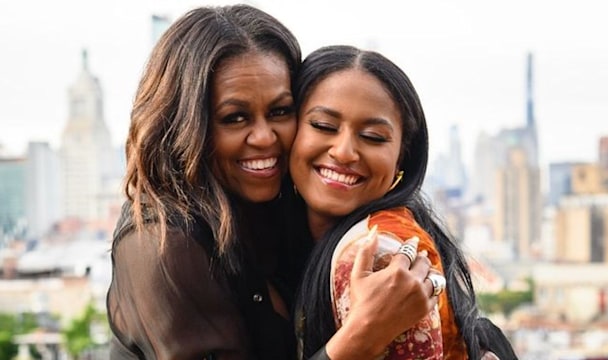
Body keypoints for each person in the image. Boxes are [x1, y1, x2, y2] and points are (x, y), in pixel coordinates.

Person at [107, 5, 436, 360]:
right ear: (187, 126)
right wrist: (361, 336)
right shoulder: (162, 246)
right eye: (234, 118)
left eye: (280, 111)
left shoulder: (295, 207)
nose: (265, 138)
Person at [288, 45, 518, 359]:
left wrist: (362, 334)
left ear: (401, 159)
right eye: (324, 127)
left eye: (372, 136)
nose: (343, 151)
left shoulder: (380, 256)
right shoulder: (279, 238)